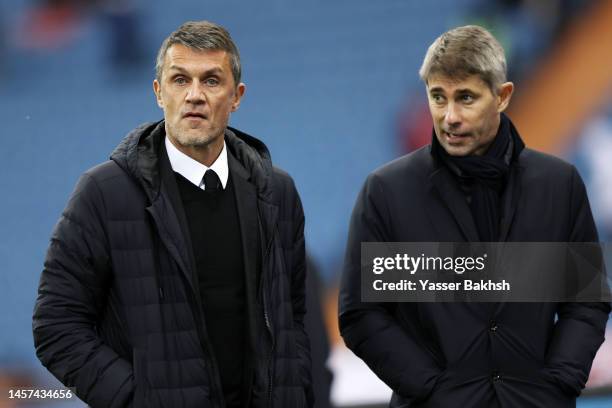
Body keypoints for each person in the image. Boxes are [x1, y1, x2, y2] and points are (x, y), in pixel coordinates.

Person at [33, 20, 312, 408]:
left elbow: (294, 319)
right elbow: (56, 327)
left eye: (211, 81)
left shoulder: (277, 192)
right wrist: (136, 399)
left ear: (237, 96)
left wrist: (293, 391)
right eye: (180, 80)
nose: (194, 95)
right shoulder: (103, 194)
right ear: (158, 92)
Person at [339, 25, 610, 407]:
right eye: (438, 97)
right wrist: (431, 387)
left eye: (465, 98)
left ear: (502, 97)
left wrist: (558, 381)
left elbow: (587, 302)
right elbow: (363, 316)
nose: (450, 117)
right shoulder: (386, 192)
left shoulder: (559, 185)